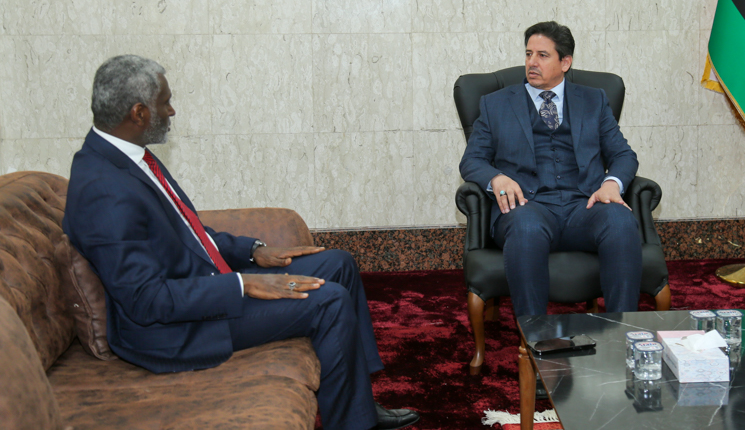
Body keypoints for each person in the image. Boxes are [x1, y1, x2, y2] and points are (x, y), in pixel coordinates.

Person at [63, 55, 419, 430]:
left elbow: (188, 232)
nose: (172, 111)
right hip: (176, 328)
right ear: (138, 113)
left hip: (203, 284)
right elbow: (146, 300)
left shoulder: (129, 156)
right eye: (165, 102)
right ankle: (355, 425)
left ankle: (359, 404)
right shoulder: (104, 189)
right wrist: (242, 283)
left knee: (338, 264)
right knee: (328, 301)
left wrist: (253, 252)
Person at [459, 21, 643, 317]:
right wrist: (496, 177)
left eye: (542, 55)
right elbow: (472, 160)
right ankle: (534, 337)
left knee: (620, 221)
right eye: (528, 53)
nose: (532, 62)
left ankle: (622, 333)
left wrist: (612, 183)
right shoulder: (495, 104)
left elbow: (623, 155)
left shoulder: (594, 100)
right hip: (527, 207)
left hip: (584, 206)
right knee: (526, 227)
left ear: (565, 62)